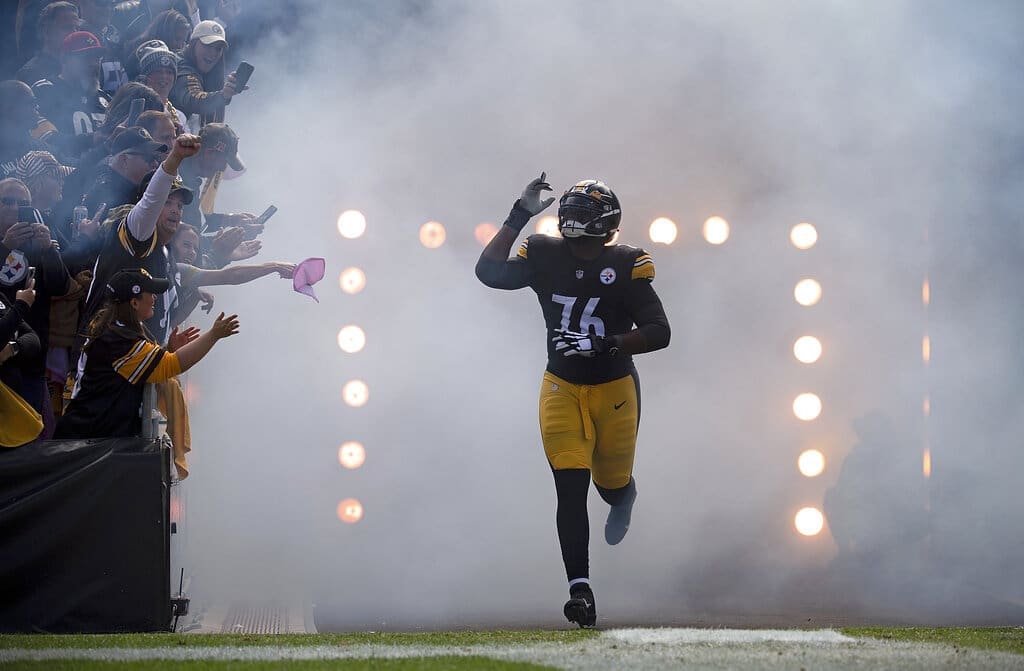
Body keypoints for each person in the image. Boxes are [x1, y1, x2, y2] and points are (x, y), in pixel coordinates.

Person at [475, 174, 671, 628]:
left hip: (614, 389)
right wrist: (518, 215)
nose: (570, 219)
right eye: (570, 210)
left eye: (582, 213)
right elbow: (488, 273)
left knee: (609, 482)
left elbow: (661, 332)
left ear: (605, 222)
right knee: (570, 486)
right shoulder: (544, 253)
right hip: (561, 385)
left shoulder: (626, 263)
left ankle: (624, 498)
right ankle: (579, 590)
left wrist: (609, 343)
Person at [56, 267, 240, 439]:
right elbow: (171, 365)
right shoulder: (119, 341)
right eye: (150, 293)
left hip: (93, 436)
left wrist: (168, 349)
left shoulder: (117, 331)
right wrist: (213, 335)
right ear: (134, 302)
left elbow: (151, 364)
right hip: (88, 440)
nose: (155, 298)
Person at [80, 132, 198, 346]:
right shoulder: (137, 232)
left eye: (180, 206)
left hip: (135, 368)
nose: (175, 211)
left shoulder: (163, 249)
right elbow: (152, 200)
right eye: (168, 202)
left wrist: (269, 267)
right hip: (105, 367)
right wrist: (175, 158)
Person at [32, 31, 112, 162]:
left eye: (97, 58)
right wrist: (91, 139)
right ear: (65, 60)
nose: (94, 63)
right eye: (86, 57)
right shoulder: (45, 90)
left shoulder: (105, 99)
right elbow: (43, 139)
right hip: (62, 174)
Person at [170, 20, 246, 126]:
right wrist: (223, 95)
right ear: (193, 44)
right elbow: (193, 98)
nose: (213, 53)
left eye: (218, 49)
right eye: (208, 45)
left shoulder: (209, 73)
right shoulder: (180, 66)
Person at [15, 2, 80, 87]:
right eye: (67, 27)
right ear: (47, 31)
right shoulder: (30, 73)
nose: (75, 33)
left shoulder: (80, 66)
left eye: (77, 28)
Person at [0, 81, 52, 180]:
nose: (37, 107)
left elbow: (70, 166)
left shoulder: (37, 147)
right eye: (32, 102)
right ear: (11, 108)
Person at [123, 10, 190, 80]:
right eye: (177, 39)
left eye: (184, 41)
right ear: (165, 33)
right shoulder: (142, 54)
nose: (180, 46)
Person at [134, 40, 187, 130]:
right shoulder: (135, 111)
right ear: (145, 76)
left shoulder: (180, 116)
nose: (164, 76)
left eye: (169, 72)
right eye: (158, 71)